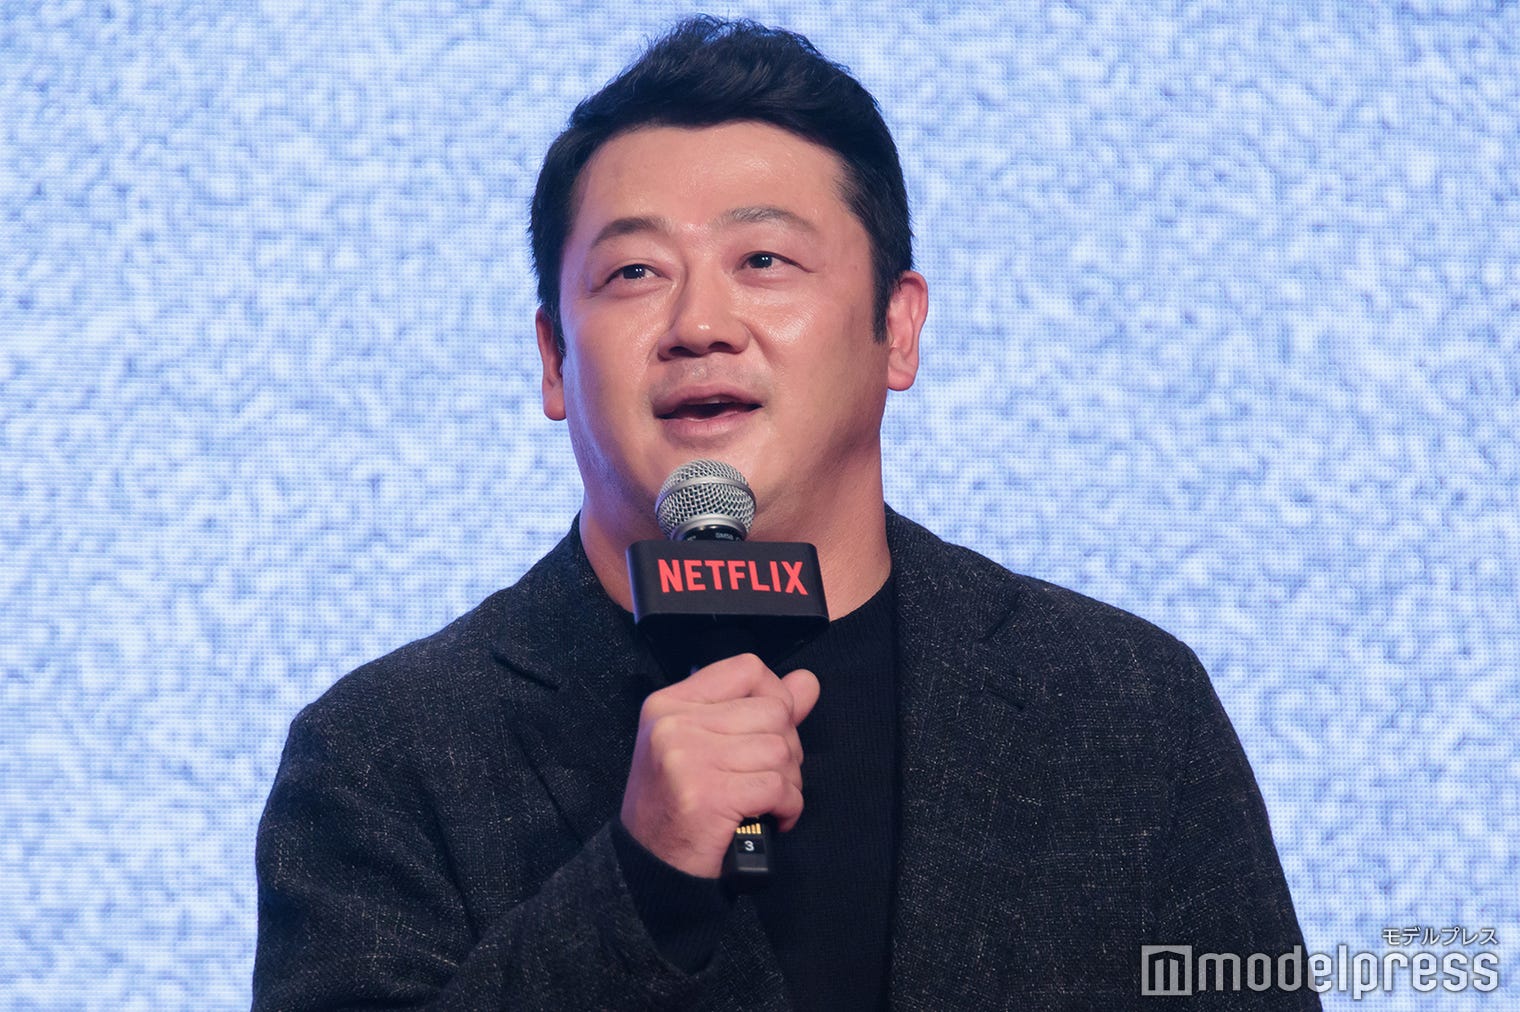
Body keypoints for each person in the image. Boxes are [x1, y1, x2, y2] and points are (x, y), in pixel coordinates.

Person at [254, 16, 1317, 1010]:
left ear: (897, 329)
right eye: (634, 271)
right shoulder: (383, 755)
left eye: (762, 261)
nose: (699, 323)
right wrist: (641, 886)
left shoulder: (1123, 706)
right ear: (553, 359)